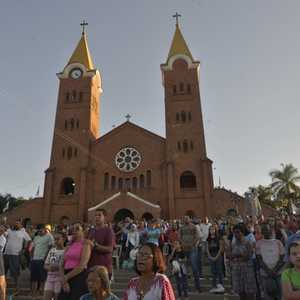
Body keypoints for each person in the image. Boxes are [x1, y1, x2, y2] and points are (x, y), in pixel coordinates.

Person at [58, 223, 91, 300]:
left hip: (78, 276)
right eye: (73, 229)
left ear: (83, 231)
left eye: (77, 229)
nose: (74, 231)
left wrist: (66, 277)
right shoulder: (69, 246)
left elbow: (82, 265)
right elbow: (61, 264)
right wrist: (64, 280)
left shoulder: (85, 244)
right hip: (66, 275)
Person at [256, 223, 285, 300]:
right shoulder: (259, 243)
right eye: (264, 230)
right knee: (268, 295)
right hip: (265, 275)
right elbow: (259, 259)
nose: (266, 232)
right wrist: (268, 271)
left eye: (267, 230)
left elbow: (282, 259)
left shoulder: (278, 242)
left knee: (281, 295)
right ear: (262, 232)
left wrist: (274, 270)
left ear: (271, 231)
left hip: (278, 273)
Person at [229, 223, 257, 300]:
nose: (236, 234)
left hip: (247, 270)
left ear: (242, 232)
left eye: (238, 232)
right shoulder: (234, 244)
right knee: (240, 292)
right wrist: (239, 256)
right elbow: (230, 256)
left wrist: (236, 256)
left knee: (250, 293)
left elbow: (247, 256)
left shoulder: (248, 243)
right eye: (234, 232)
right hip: (237, 270)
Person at [4, 220, 31, 294]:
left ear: (21, 225)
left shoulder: (23, 232)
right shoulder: (9, 231)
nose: (16, 224)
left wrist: (24, 249)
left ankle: (17, 289)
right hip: (6, 254)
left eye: (18, 223)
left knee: (16, 273)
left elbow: (29, 241)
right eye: (15, 223)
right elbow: (3, 234)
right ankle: (3, 287)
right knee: (3, 272)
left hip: (15, 255)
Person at [88, 209, 114, 279]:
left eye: (99, 215)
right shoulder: (91, 231)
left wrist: (96, 246)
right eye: (95, 215)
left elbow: (110, 249)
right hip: (91, 267)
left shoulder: (108, 231)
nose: (97, 217)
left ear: (104, 217)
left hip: (104, 268)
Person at [179, 215, 201, 293]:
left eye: (187, 218)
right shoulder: (181, 228)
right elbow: (179, 237)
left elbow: (197, 236)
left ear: (190, 219)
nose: (186, 220)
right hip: (184, 250)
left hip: (192, 249)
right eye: (184, 219)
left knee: (194, 268)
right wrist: (183, 244)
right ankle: (185, 287)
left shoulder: (194, 227)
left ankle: (198, 287)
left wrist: (192, 244)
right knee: (184, 269)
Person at [30, 224, 54, 296]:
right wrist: (31, 257)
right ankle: (34, 294)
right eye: (38, 231)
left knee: (43, 278)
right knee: (34, 278)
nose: (39, 232)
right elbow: (33, 247)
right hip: (34, 260)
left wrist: (46, 258)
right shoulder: (36, 237)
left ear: (44, 229)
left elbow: (51, 248)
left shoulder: (49, 236)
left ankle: (43, 294)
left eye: (41, 230)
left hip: (42, 260)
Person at [43, 232, 66, 300]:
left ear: (64, 239)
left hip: (60, 277)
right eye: (54, 239)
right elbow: (45, 265)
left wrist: (58, 267)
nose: (56, 241)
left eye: (58, 239)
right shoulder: (52, 250)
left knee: (57, 297)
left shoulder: (66, 251)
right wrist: (49, 268)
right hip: (50, 277)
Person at [206, 224, 225, 293]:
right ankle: (214, 286)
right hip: (211, 255)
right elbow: (207, 248)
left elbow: (220, 248)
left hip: (218, 255)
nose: (212, 231)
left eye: (213, 229)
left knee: (219, 271)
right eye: (210, 229)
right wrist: (210, 256)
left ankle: (221, 286)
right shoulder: (208, 239)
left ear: (215, 230)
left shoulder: (218, 237)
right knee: (213, 272)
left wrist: (216, 257)